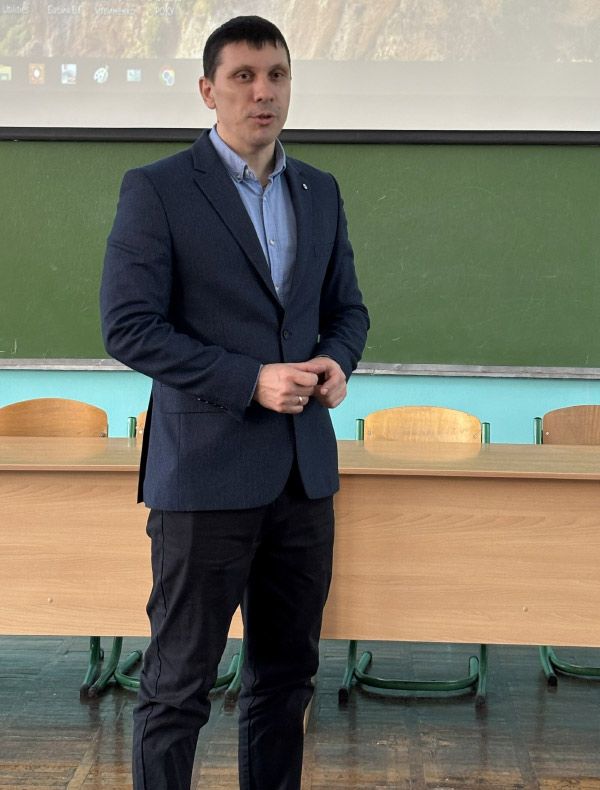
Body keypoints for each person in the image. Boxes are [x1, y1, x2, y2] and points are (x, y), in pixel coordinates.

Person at [100, 14, 369, 790]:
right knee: (178, 685)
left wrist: (337, 360)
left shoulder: (319, 190)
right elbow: (128, 327)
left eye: (276, 75)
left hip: (302, 479)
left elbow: (347, 310)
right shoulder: (158, 189)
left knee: (286, 681)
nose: (263, 92)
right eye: (244, 76)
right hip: (203, 476)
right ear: (207, 90)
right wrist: (249, 379)